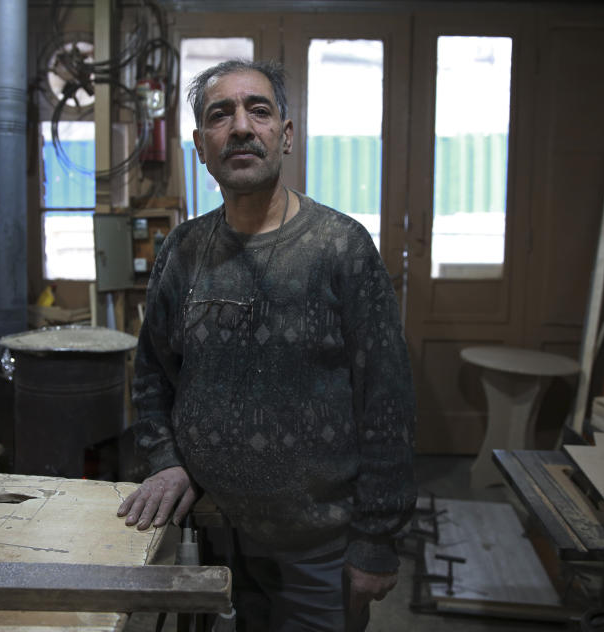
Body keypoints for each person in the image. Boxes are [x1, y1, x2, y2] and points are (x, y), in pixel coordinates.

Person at [118, 59, 416, 632]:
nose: (240, 126)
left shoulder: (341, 248)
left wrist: (377, 537)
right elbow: (153, 371)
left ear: (285, 134)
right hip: (214, 530)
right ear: (202, 146)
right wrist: (167, 462)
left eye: (258, 109)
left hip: (318, 547)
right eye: (219, 114)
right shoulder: (183, 250)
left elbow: (388, 401)